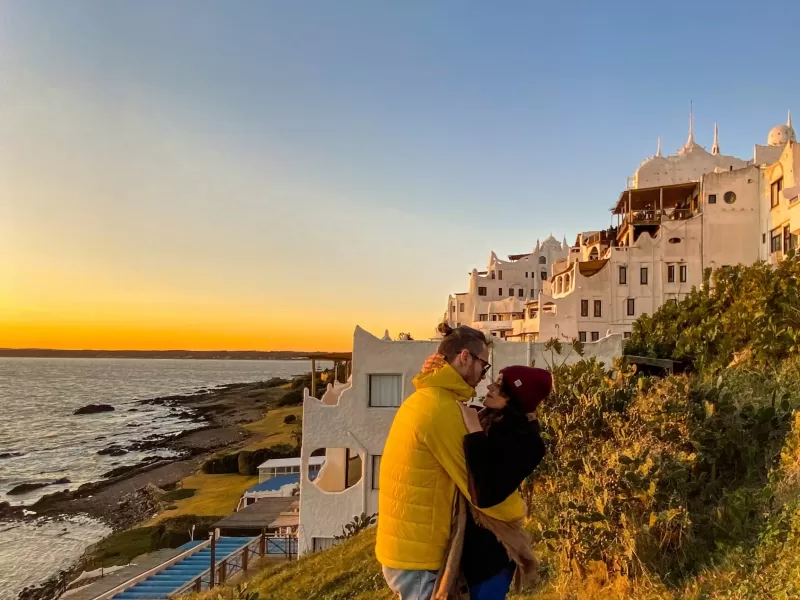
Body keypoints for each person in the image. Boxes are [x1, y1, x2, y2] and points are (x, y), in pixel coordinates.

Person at [376, 324, 527, 600]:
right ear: (465, 357)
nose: (485, 375)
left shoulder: (427, 397)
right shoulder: (442, 410)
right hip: (418, 557)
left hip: (407, 548)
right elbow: (479, 487)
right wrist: (519, 515)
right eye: (484, 364)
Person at [421, 354, 552, 599]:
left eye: (501, 386)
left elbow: (484, 493)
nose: (491, 386)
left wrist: (475, 434)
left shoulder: (529, 442)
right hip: (465, 550)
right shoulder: (488, 417)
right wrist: (432, 373)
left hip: (491, 555)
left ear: (517, 399)